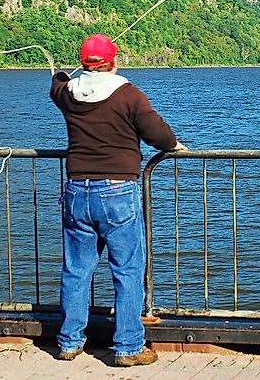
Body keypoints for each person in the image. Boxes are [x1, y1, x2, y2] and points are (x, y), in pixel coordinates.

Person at [50, 33, 187, 367]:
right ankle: (128, 347)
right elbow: (159, 135)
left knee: (77, 270)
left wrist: (69, 74)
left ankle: (69, 342)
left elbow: (57, 82)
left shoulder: (67, 94)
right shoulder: (129, 95)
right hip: (117, 191)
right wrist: (173, 146)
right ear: (114, 62)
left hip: (76, 190)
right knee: (126, 270)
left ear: (83, 63)